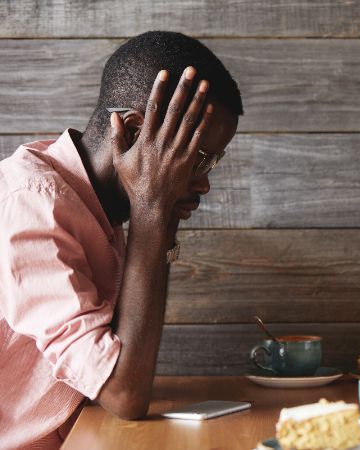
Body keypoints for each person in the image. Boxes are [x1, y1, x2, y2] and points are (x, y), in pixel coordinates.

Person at [0, 31, 243, 448]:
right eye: (198, 158)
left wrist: (160, 222)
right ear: (132, 134)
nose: (204, 183)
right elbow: (123, 392)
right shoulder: (33, 206)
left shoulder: (94, 207)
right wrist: (152, 209)